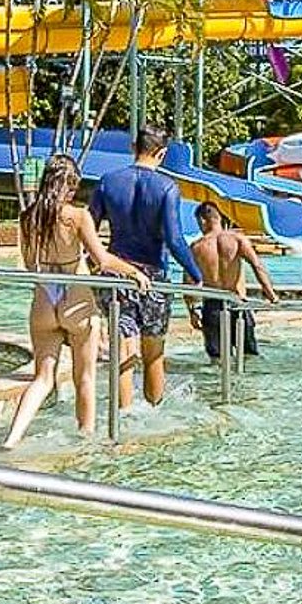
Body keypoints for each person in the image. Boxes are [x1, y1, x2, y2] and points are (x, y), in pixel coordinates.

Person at [1, 157, 149, 449]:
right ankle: (85, 440)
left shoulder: (28, 216)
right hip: (75, 297)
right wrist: (135, 273)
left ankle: (11, 439)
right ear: (69, 185)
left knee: (43, 378)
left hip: (44, 297)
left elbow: (30, 264)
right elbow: (102, 260)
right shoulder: (78, 216)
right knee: (85, 377)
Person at [93, 124, 203, 408]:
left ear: (134, 148)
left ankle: (123, 415)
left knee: (122, 350)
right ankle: (154, 411)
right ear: (162, 153)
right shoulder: (167, 187)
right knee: (153, 353)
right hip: (153, 277)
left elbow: (89, 232)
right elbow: (175, 239)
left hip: (117, 274)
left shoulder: (108, 182)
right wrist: (195, 274)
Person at [185, 202, 277, 362]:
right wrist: (271, 294)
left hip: (212, 306)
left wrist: (193, 311)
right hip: (238, 303)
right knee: (248, 355)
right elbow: (257, 266)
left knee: (218, 359)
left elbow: (189, 282)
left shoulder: (197, 247)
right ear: (219, 218)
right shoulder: (237, 239)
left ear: (202, 220)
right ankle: (249, 379)